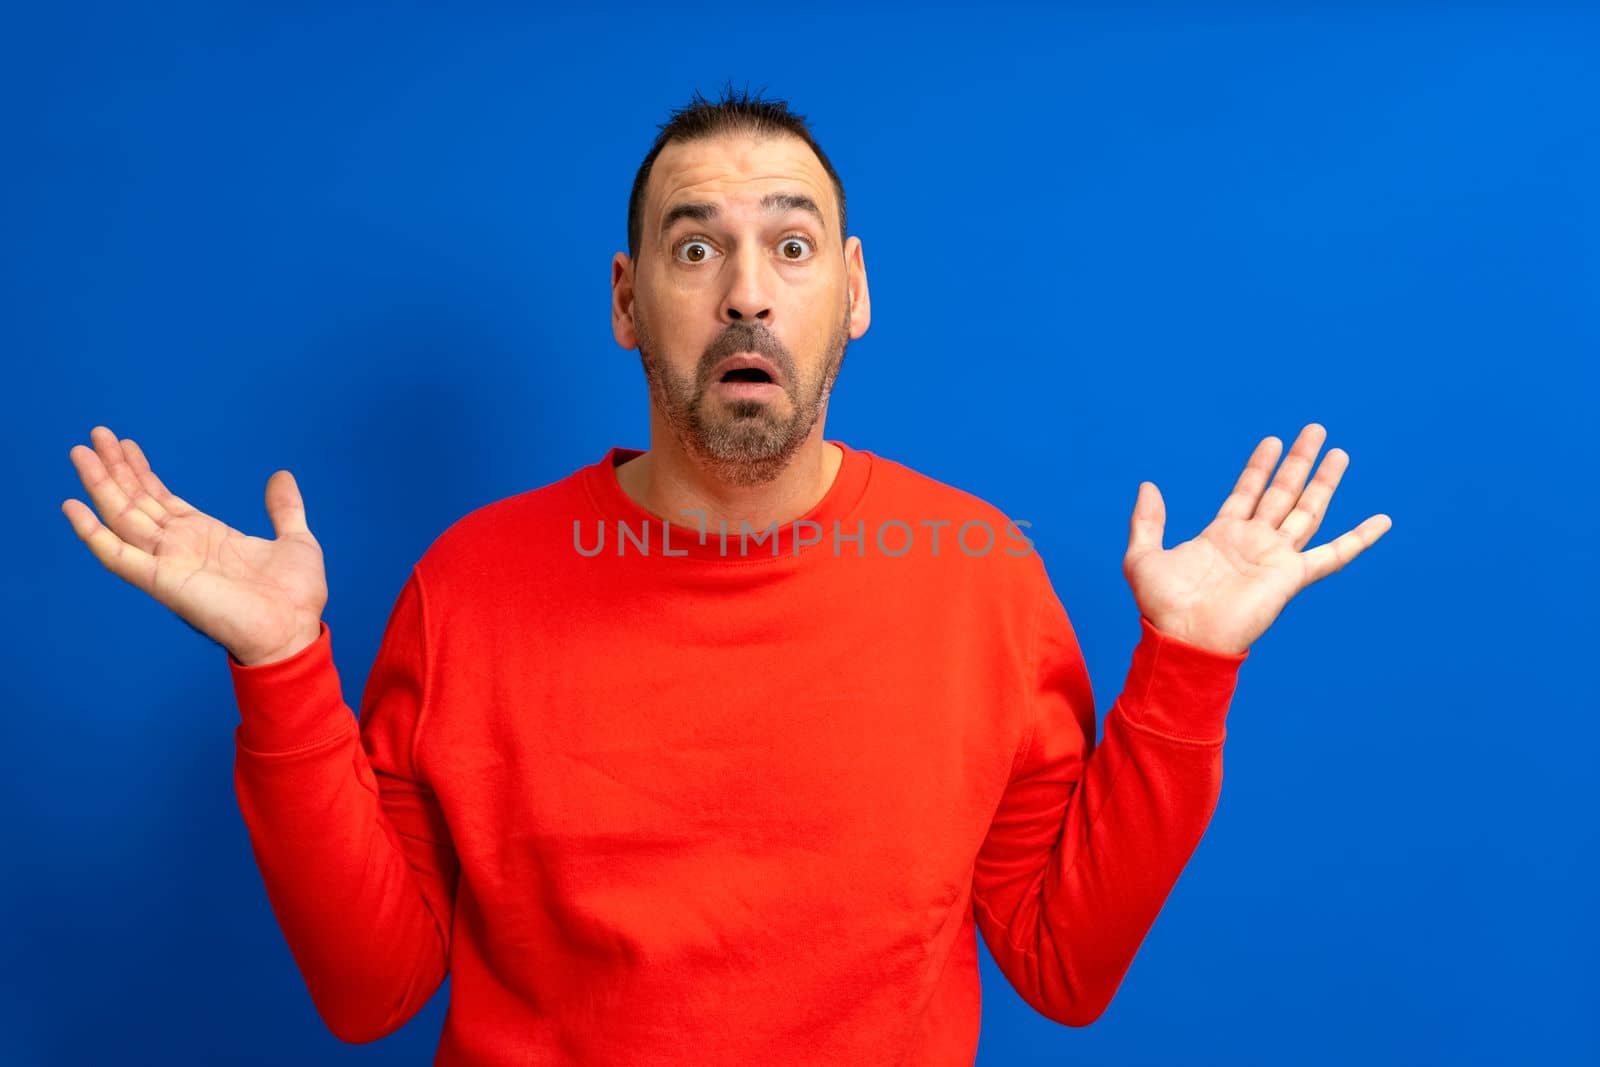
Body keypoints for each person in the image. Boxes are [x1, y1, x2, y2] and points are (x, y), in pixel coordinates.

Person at [61, 86, 1391, 1065]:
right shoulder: (470, 584)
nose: (748, 292)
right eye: (698, 249)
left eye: (792, 247)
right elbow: (371, 992)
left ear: (854, 294)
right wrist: (281, 668)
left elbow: (1061, 963)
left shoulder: (980, 575)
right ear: (630, 302)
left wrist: (1191, 672)